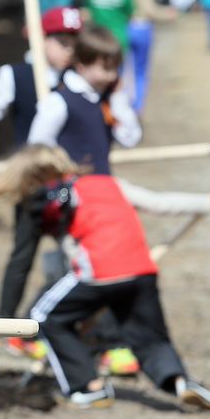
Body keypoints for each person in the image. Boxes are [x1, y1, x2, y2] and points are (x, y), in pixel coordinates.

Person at [0, 144, 210, 411]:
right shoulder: (109, 182)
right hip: (141, 270)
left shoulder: (57, 197)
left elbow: (70, 251)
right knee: (150, 335)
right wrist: (209, 202)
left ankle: (87, 388)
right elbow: (161, 202)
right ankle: (181, 382)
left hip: (96, 273)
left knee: (43, 317)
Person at [0, 5, 83, 359]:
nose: (70, 50)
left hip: (75, 186)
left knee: (80, 259)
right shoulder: (15, 75)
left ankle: (76, 328)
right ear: (40, 38)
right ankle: (4, 327)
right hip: (32, 187)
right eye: (62, 42)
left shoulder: (79, 78)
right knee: (22, 255)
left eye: (75, 43)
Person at [27, 24, 143, 374]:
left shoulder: (105, 101)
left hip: (105, 201)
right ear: (82, 64)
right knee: (91, 273)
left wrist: (118, 99)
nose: (111, 75)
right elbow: (38, 147)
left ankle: (92, 338)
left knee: (99, 270)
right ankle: (41, 331)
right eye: (104, 67)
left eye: (114, 68)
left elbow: (131, 137)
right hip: (76, 205)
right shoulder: (60, 101)